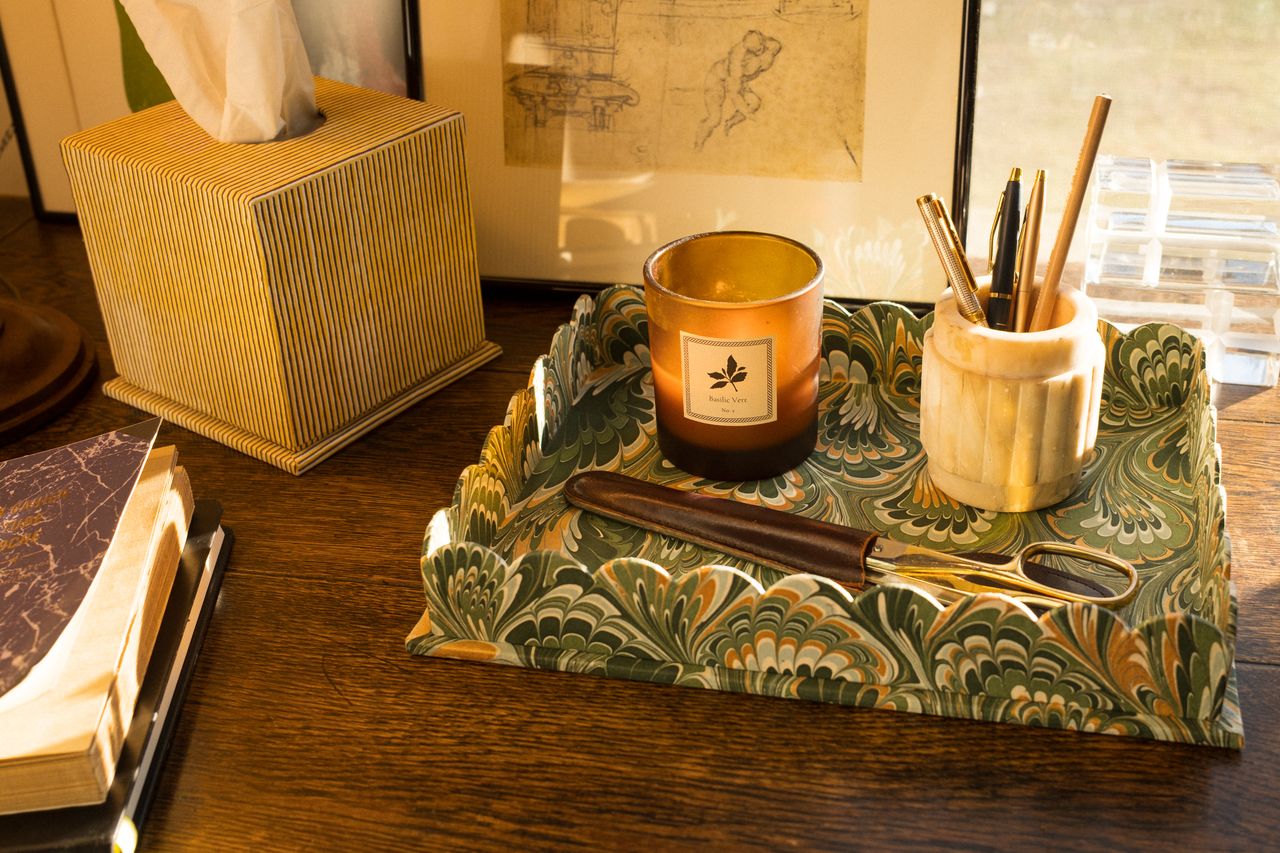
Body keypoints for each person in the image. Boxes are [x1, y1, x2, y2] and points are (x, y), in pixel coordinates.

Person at [694, 29, 782, 151]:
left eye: (760, 48)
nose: (759, 51)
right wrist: (752, 117)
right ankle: (698, 144)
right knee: (714, 119)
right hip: (718, 80)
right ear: (747, 48)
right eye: (754, 51)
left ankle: (730, 123)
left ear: (762, 41)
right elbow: (734, 94)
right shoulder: (736, 58)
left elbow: (774, 48)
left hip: (741, 81)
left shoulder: (772, 45)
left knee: (754, 102)